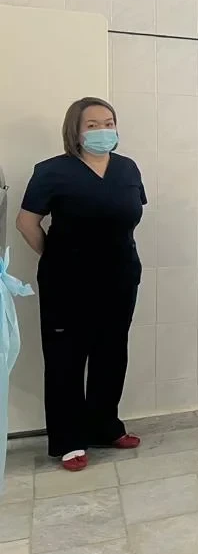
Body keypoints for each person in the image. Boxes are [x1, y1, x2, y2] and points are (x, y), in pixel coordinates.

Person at [16, 98, 146, 471]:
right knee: (66, 359)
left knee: (111, 354)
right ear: (75, 131)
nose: (103, 130)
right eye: (92, 125)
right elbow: (26, 222)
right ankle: (69, 440)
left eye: (109, 122)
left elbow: (128, 214)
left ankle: (105, 426)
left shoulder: (127, 169)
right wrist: (56, 257)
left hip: (120, 277)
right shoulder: (51, 171)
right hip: (67, 282)